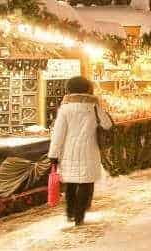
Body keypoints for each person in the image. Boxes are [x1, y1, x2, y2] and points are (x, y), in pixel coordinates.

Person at [48, 76, 114, 226]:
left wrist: (53, 154)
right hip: (89, 150)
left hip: (68, 151)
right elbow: (108, 124)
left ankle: (70, 212)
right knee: (86, 182)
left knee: (71, 182)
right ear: (86, 89)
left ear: (69, 89)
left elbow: (58, 133)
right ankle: (80, 216)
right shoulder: (94, 106)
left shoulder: (65, 108)